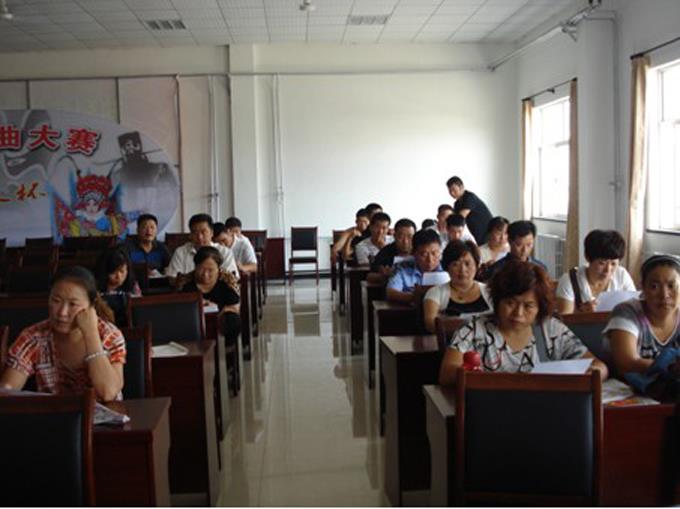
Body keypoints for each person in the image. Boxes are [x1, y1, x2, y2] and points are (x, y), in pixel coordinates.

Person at [438, 261, 608, 385]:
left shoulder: (551, 329)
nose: (518, 313)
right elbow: (447, 372)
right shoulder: (474, 329)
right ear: (497, 301)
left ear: (540, 307)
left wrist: (585, 377)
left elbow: (599, 367)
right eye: (510, 303)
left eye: (528, 306)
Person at [0, 266, 126, 402]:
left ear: (91, 306)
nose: (62, 313)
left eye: (73, 304)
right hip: (54, 415)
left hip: (105, 415)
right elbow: (7, 391)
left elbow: (108, 392)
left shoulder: (109, 335)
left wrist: (91, 334)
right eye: (56, 301)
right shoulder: (34, 337)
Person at [605, 255, 680, 375]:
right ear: (643, 288)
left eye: (671, 286)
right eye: (654, 286)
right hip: (626, 384)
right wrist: (671, 368)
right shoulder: (627, 312)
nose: (664, 295)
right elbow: (626, 363)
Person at [556, 230, 636, 314]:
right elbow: (564, 319)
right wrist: (582, 314)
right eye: (602, 263)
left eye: (613, 264)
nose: (608, 270)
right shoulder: (570, 280)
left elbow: (635, 309)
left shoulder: (622, 275)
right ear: (587, 258)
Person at [178, 246, 241, 351]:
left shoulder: (226, 282)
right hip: (193, 322)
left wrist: (217, 309)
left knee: (232, 320)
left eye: (210, 270)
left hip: (219, 320)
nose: (205, 274)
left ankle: (226, 352)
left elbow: (234, 308)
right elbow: (180, 310)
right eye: (201, 269)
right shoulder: (186, 284)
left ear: (218, 269)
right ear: (195, 267)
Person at [423, 240, 493, 332]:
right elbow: (430, 324)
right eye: (455, 264)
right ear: (447, 267)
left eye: (467, 264)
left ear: (476, 265)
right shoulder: (436, 293)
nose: (462, 270)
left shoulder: (489, 291)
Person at [166, 213, 238, 281]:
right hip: (189, 290)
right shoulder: (181, 252)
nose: (200, 237)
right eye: (195, 232)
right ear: (190, 235)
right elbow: (172, 278)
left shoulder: (225, 252)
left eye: (204, 232)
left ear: (212, 233)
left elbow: (232, 278)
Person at [386, 228, 443, 304]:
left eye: (434, 253)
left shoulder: (448, 268)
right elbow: (390, 293)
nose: (430, 259)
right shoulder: (402, 267)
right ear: (414, 253)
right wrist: (414, 297)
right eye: (424, 254)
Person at [481, 220, 547, 281]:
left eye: (529, 245)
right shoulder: (498, 269)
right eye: (519, 245)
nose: (524, 250)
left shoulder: (540, 268)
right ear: (510, 241)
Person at [95, 246, 142, 326]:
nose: (119, 277)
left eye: (122, 271)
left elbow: (139, 311)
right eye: (113, 272)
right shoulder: (95, 287)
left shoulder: (133, 286)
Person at [447, 176, 493, 244]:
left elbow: (460, 218)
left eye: (454, 190)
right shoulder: (457, 204)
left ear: (462, 187)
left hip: (488, 233)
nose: (452, 193)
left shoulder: (469, 197)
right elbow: (454, 221)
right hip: (477, 234)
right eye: (450, 191)